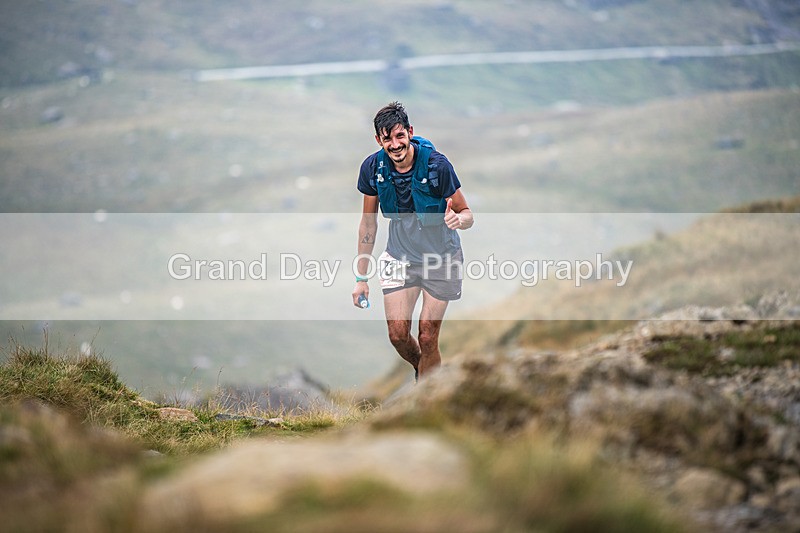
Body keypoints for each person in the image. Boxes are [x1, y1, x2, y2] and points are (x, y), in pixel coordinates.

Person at [352, 102, 473, 380]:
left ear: (410, 132)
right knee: (397, 335)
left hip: (441, 259)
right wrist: (361, 278)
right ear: (378, 140)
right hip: (399, 257)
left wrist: (458, 220)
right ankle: (429, 377)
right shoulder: (372, 168)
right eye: (387, 139)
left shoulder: (437, 166)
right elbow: (368, 224)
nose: (395, 145)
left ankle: (426, 397)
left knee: (428, 335)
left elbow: (466, 213)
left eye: (400, 136)